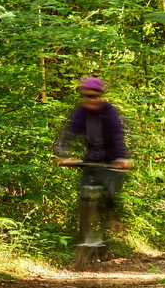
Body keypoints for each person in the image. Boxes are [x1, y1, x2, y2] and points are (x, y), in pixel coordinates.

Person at [53, 76, 132, 258]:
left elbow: (118, 135)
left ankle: (110, 220)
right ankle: (84, 233)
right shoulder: (81, 113)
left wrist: (120, 158)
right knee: (84, 194)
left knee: (110, 192)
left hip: (112, 158)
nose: (92, 99)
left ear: (100, 95)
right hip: (91, 158)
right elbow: (68, 134)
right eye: (88, 96)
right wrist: (62, 154)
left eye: (95, 96)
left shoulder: (109, 111)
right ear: (84, 96)